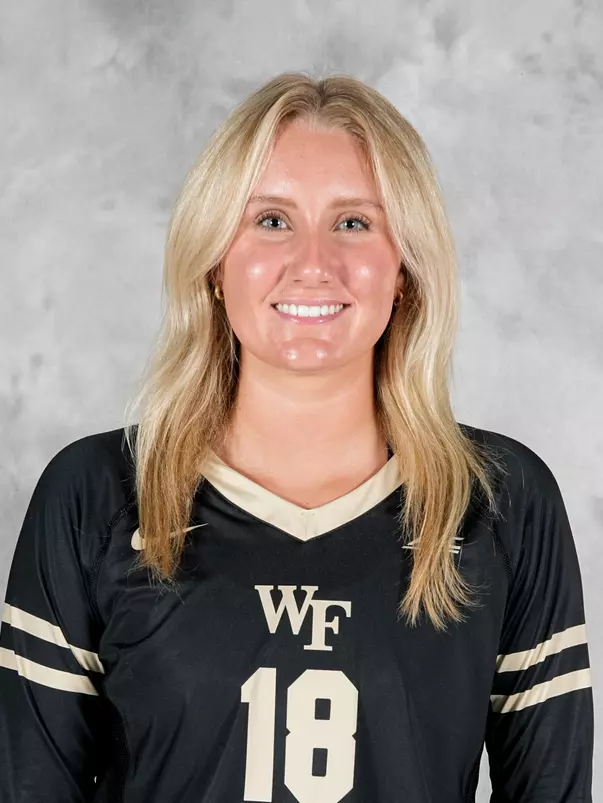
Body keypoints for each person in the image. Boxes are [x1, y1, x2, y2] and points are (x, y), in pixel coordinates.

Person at [0, 72, 593, 803]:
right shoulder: (97, 495)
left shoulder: (499, 502)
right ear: (216, 263)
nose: (313, 264)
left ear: (403, 270)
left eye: (354, 222)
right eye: (272, 220)